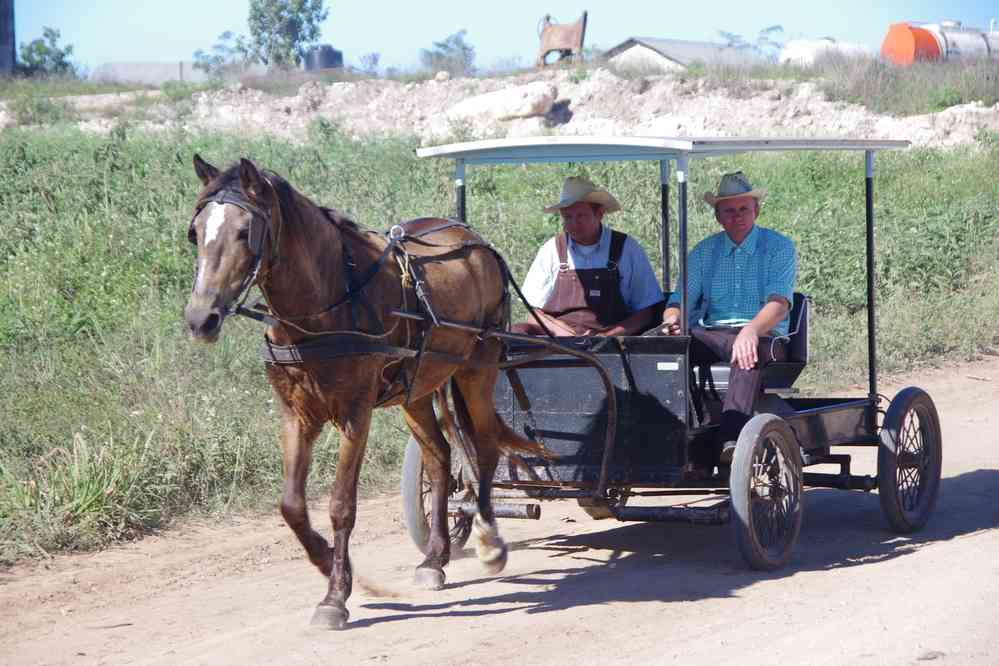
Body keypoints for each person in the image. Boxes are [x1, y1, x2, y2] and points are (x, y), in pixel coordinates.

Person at [661, 171, 797, 471]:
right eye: (729, 211)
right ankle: (674, 428)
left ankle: (732, 438)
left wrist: (750, 330)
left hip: (765, 335)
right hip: (713, 334)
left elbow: (779, 304)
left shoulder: (778, 247)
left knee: (746, 351)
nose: (737, 216)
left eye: (743, 209)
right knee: (664, 349)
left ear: (756, 210)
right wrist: (672, 320)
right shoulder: (704, 252)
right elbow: (677, 302)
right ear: (718, 216)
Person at [512, 177, 664, 337]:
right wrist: (562, 332)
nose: (573, 224)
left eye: (581, 216)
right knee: (514, 332)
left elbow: (645, 314)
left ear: (599, 214)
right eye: (568, 217)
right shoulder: (551, 250)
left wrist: (608, 336)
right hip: (558, 343)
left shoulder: (627, 248)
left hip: (612, 345)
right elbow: (533, 314)